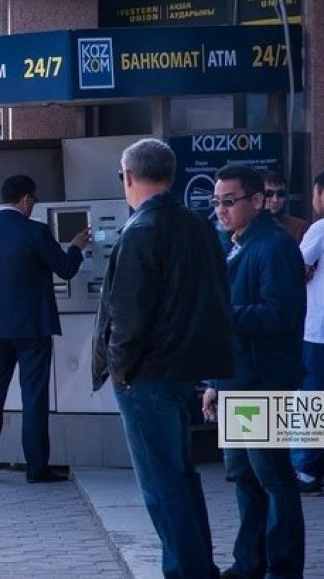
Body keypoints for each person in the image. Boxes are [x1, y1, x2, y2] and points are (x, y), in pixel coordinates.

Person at [93, 139, 234, 579]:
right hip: (185, 369)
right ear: (170, 175)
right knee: (182, 477)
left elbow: (128, 317)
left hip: (147, 374)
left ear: (130, 176)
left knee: (161, 485)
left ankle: (187, 571)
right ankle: (197, 567)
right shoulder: (199, 228)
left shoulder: (139, 232)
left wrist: (119, 370)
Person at [202, 164, 306, 579]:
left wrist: (223, 316)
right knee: (244, 476)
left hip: (267, 381)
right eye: (216, 202)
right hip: (239, 380)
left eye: (229, 202)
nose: (220, 210)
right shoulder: (237, 243)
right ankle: (248, 562)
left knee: (274, 478)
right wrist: (215, 383)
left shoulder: (275, 246)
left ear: (258, 201)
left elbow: (281, 314)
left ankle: (282, 568)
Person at [0, 175, 89, 483]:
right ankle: (36, 469)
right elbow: (66, 269)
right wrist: (75, 247)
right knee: (34, 397)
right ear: (27, 199)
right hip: (32, 326)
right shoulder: (36, 231)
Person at [294, 171, 324, 494]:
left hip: (317, 331)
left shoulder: (320, 228)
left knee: (312, 401)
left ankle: (307, 469)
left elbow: (296, 266)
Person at [263, 170, 309, 244]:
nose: (275, 200)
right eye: (269, 194)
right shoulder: (247, 226)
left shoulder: (298, 227)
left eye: (280, 194)